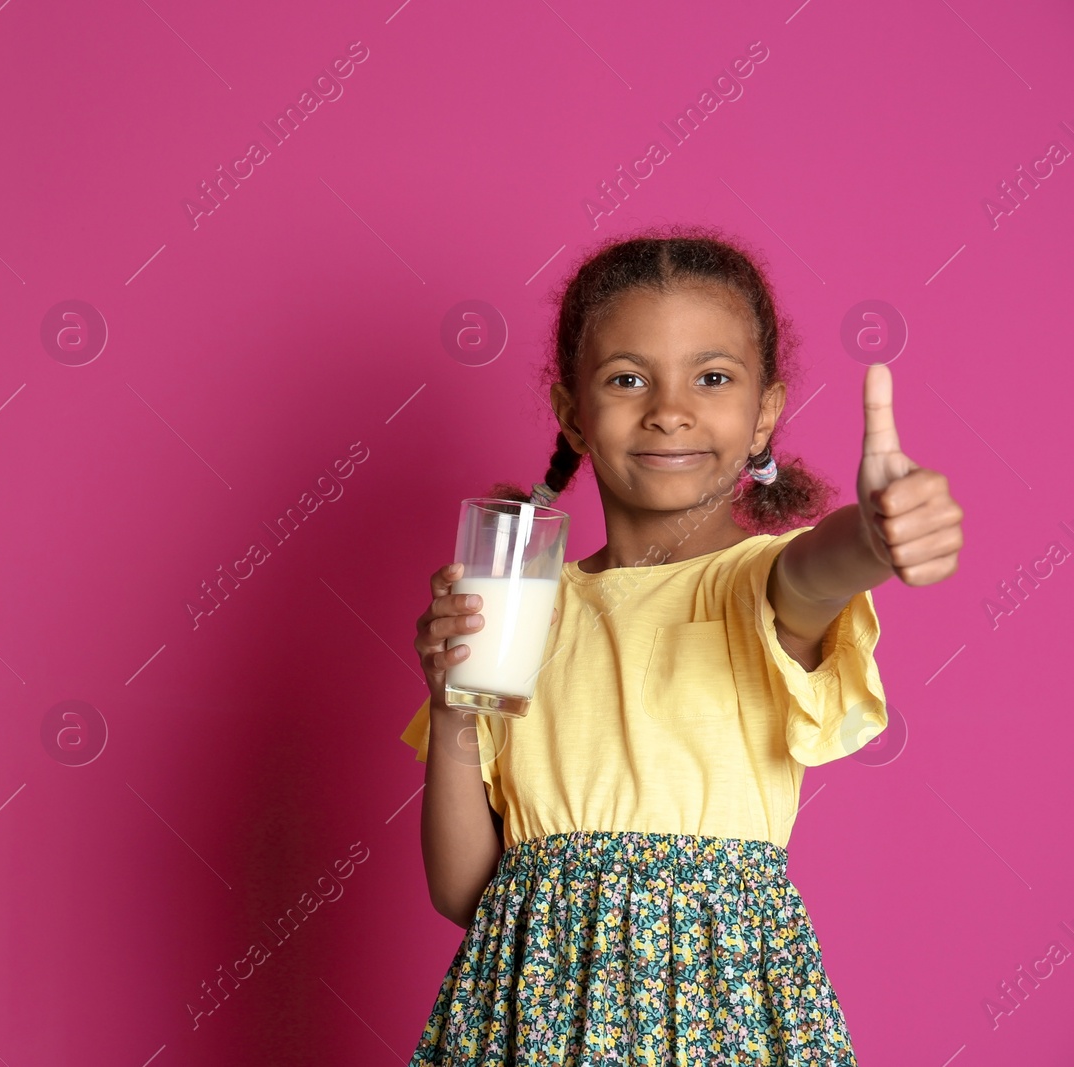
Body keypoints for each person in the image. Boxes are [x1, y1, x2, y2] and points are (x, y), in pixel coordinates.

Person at [399, 228, 964, 1065]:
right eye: (627, 379)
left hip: (721, 1021)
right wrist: (452, 710)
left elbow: (815, 573)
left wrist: (877, 539)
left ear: (764, 412)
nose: (669, 408)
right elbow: (466, 894)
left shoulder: (754, 583)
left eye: (712, 377)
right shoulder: (518, 618)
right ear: (573, 415)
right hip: (528, 1027)